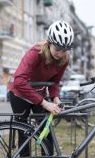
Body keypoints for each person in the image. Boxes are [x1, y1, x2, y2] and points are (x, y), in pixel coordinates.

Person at [7, 20, 74, 156]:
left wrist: (55, 98)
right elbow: (19, 80)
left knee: (46, 130)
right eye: (57, 49)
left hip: (39, 93)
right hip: (20, 94)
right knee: (24, 131)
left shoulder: (64, 59)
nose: (60, 54)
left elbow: (54, 82)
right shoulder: (36, 52)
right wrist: (45, 103)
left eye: (64, 50)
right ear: (49, 43)